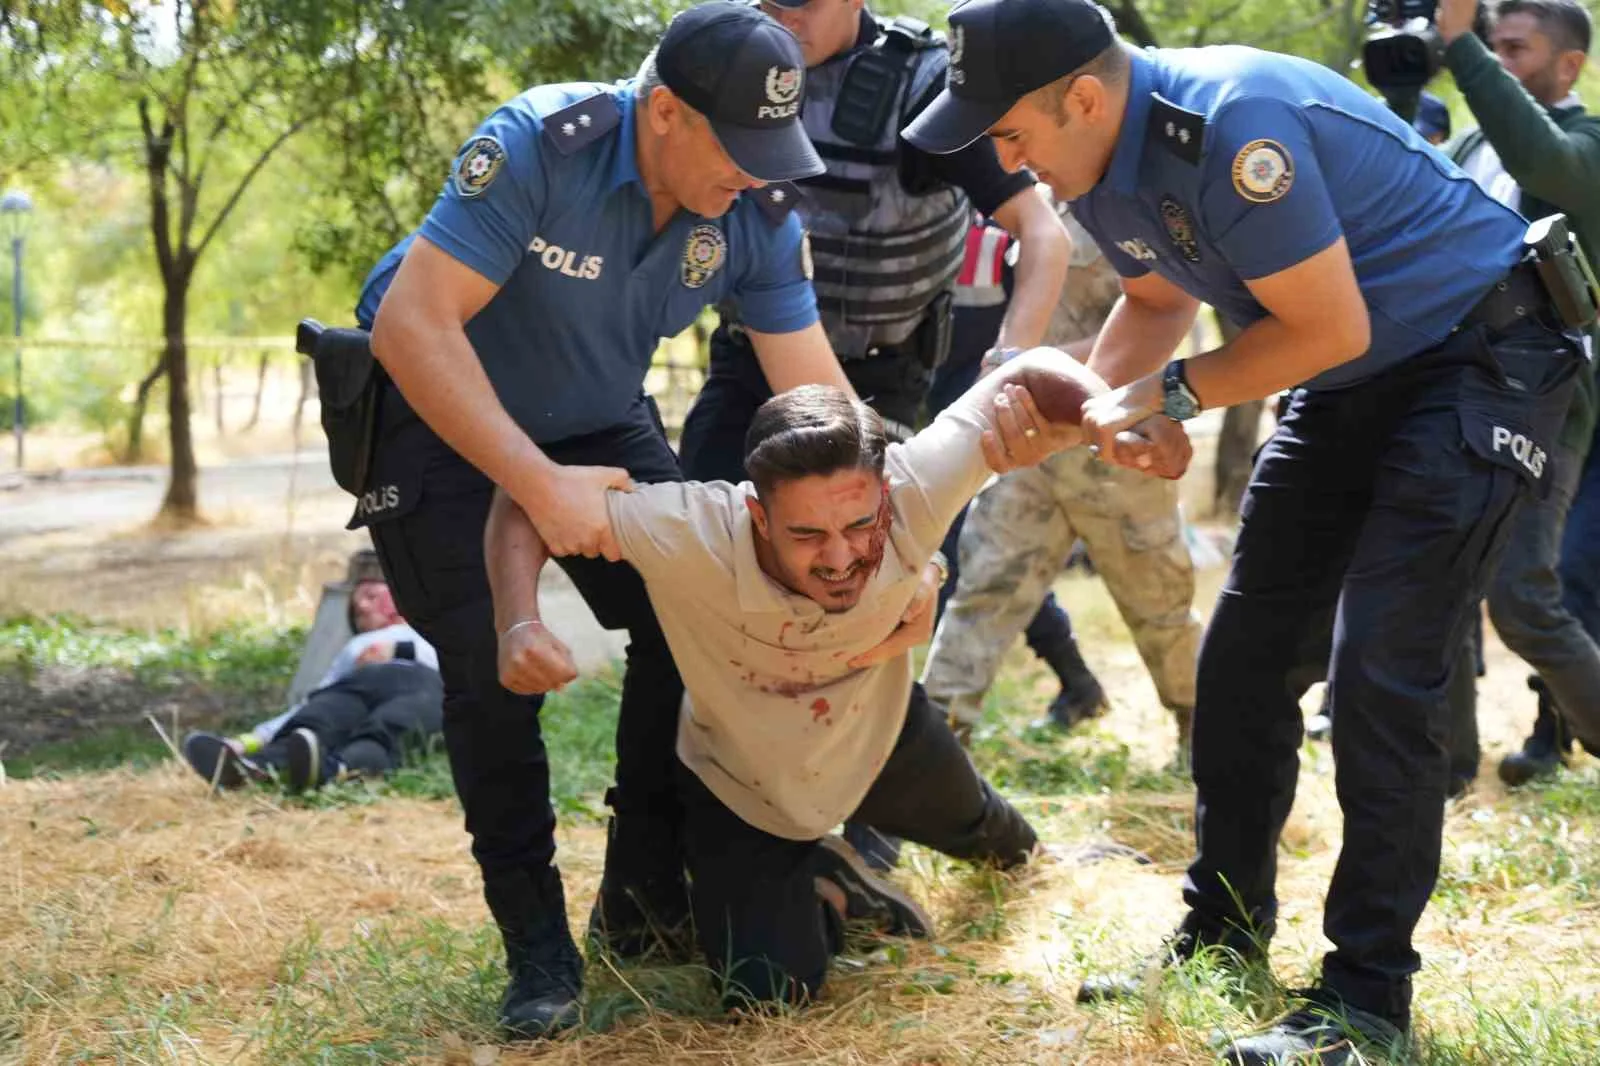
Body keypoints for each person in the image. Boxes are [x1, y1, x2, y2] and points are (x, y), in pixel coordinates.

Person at [905, 1, 1588, 1063]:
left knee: (1382, 675)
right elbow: (1154, 298)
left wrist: (1169, 399)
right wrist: (1098, 408)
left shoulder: (1229, 125)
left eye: (1009, 132)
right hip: (1353, 369)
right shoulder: (1099, 163)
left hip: (1478, 355)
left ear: (1082, 97)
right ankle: (1221, 934)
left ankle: (1366, 1004)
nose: (1006, 161)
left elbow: (1326, 325)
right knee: (1243, 666)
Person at [352, 3, 857, 1040]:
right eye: (740, 148)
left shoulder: (754, 215)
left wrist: (895, 517)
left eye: (775, 152)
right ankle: (537, 948)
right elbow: (412, 320)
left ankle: (639, 889)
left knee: (691, 614)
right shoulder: (543, 144)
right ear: (665, 112)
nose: (758, 175)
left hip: (594, 413)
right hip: (438, 407)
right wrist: (537, 483)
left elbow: (817, 402)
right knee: (494, 673)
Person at [484, 350, 1174, 1009]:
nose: (841, 556)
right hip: (748, 786)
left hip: (884, 738)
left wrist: (1103, 414)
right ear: (757, 515)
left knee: (1004, 846)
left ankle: (969, 841)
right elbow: (532, 501)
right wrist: (518, 623)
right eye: (808, 534)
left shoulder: (917, 482)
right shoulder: (689, 529)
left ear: (885, 493)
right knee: (766, 996)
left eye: (860, 523)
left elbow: (1027, 373)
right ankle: (838, 884)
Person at [676, 0, 1071, 483]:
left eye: (804, 3)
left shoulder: (926, 87)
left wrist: (1004, 370)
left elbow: (1043, 232)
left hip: (877, 378)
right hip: (747, 360)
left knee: (875, 543)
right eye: (769, 1)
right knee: (707, 530)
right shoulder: (724, 50)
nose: (784, 18)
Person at [923, 203, 1202, 754]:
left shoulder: (1143, 201)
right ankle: (934, 744)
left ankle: (1203, 728)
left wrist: (1029, 367)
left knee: (1159, 604)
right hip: (1032, 449)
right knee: (985, 586)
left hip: (1118, 447)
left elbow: (1163, 319)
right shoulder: (1038, 196)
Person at [1437, 0, 1600, 786]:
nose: (1497, 59)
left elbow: (1542, 163)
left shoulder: (1589, 144)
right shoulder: (1471, 143)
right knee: (1436, 593)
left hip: (1546, 403)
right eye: (1490, 46)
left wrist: (1460, 45)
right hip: (1448, 395)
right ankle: (1447, 768)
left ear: (1568, 65)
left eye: (1514, 48)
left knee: (1524, 597)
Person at [182, 578, 443, 793]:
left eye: (372, 595)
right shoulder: (354, 648)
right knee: (317, 718)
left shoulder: (435, 627)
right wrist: (249, 740)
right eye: (357, 611)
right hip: (356, 684)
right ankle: (252, 768)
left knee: (387, 727)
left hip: (425, 683)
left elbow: (465, 659)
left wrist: (399, 649)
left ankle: (335, 770)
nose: (362, 606)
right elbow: (312, 702)